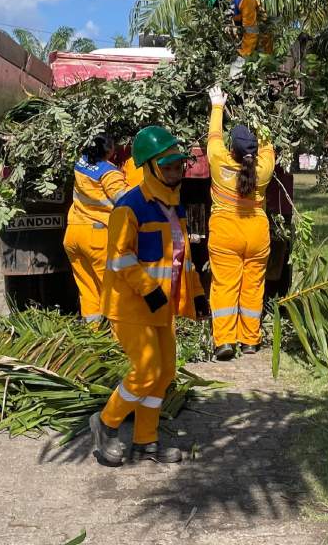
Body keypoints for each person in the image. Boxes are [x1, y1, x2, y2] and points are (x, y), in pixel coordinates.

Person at [89, 125, 211, 467]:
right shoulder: (129, 208)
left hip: (162, 306)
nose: (174, 173)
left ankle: (146, 442)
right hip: (130, 306)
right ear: (151, 167)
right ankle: (106, 423)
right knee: (145, 370)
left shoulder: (176, 208)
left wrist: (198, 295)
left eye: (178, 166)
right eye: (167, 166)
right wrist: (148, 290)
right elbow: (120, 258)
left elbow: (182, 260)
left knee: (165, 372)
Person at [204, 86, 275, 361]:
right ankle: (250, 340)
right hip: (257, 232)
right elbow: (269, 145)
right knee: (253, 285)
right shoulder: (264, 169)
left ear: (231, 149)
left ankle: (224, 341)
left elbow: (213, 136)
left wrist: (217, 105)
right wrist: (260, 113)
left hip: (225, 231)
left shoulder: (219, 160)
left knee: (224, 286)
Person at [63, 134, 129, 324]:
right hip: (96, 237)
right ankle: (119, 339)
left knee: (87, 289)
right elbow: (124, 201)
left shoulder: (80, 163)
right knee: (112, 289)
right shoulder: (109, 172)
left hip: (73, 233)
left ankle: (92, 336)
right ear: (109, 150)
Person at [194, 0, 272, 76]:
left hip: (262, 48)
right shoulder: (225, 10)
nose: (218, 6)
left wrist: (241, 58)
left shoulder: (244, 0)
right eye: (215, 5)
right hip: (244, 46)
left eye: (218, 1)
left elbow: (251, 32)